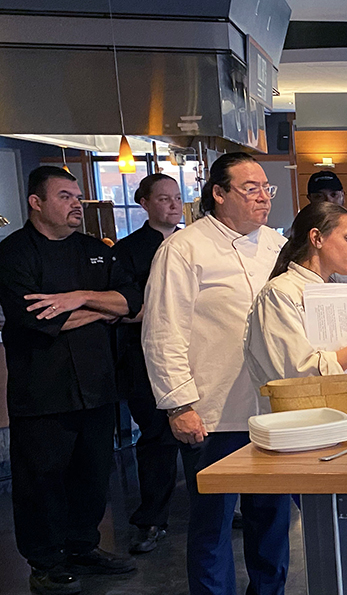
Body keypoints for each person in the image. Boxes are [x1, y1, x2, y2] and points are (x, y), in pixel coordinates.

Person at [142, 152, 291, 595]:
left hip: (273, 408)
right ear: (218, 194)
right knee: (213, 526)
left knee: (272, 520)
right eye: (251, 189)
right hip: (211, 411)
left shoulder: (277, 246)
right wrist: (178, 404)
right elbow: (162, 331)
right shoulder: (183, 249)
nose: (263, 197)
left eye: (267, 188)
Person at [245, 201, 347, 595]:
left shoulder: (331, 290)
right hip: (305, 436)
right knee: (346, 556)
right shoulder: (279, 294)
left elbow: (342, 358)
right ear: (316, 238)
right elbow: (298, 373)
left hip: (345, 429)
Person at [0, 166, 139, 595]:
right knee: (41, 481)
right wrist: (103, 309)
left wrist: (79, 298)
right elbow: (37, 319)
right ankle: (45, 562)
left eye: (77, 196)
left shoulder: (95, 251)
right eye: (64, 196)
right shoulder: (13, 254)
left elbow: (132, 302)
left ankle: (84, 546)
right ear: (36, 202)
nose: (76, 203)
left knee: (93, 474)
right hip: (42, 390)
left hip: (97, 385)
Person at [111, 174, 184, 555]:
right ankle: (151, 520)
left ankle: (215, 505)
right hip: (144, 357)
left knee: (205, 438)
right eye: (164, 199)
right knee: (157, 438)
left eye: (177, 198)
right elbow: (128, 308)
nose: (174, 205)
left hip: (195, 353)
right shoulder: (128, 250)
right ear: (144, 203)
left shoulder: (192, 244)